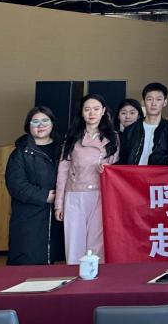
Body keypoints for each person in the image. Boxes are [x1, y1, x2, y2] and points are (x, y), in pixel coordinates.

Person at [55, 94, 119, 264]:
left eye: (96, 109)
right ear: (81, 113)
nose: (92, 113)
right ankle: (74, 275)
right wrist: (59, 204)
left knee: (97, 242)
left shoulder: (113, 138)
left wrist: (108, 169)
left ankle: (95, 275)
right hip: (74, 194)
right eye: (87, 109)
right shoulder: (72, 138)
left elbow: (116, 169)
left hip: (100, 194)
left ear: (103, 111)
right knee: (74, 241)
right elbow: (63, 171)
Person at [5, 106, 64, 265]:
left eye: (45, 120)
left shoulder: (64, 149)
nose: (41, 125)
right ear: (28, 126)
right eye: (35, 122)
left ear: (52, 123)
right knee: (27, 263)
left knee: (57, 266)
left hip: (58, 217)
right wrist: (45, 196)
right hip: (29, 217)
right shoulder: (20, 153)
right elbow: (16, 185)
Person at [119, 82, 168, 166]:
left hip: (159, 174)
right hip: (133, 173)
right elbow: (122, 161)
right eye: (149, 99)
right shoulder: (130, 130)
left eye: (158, 99)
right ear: (143, 102)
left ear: (165, 102)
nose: (153, 103)